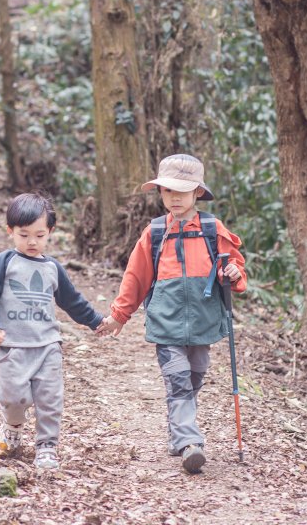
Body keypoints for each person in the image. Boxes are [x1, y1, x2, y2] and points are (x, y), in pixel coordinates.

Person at [96, 154, 246, 474]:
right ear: (160, 193)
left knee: (195, 374)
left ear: (197, 193)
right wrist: (119, 316)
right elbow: (136, 277)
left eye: (182, 191)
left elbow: (233, 264)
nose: (174, 198)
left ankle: (176, 428)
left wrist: (233, 274)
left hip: (204, 320)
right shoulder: (154, 233)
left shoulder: (210, 228)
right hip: (166, 320)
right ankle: (190, 442)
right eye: (167, 191)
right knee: (178, 380)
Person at [0, 193, 104, 470]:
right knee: (13, 399)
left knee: (50, 401)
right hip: (13, 346)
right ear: (10, 231)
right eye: (24, 235)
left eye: (39, 235)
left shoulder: (52, 268)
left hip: (48, 345)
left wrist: (95, 321)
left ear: (50, 232)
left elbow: (71, 301)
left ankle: (47, 447)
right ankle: (12, 426)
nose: (32, 242)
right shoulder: (3, 262)